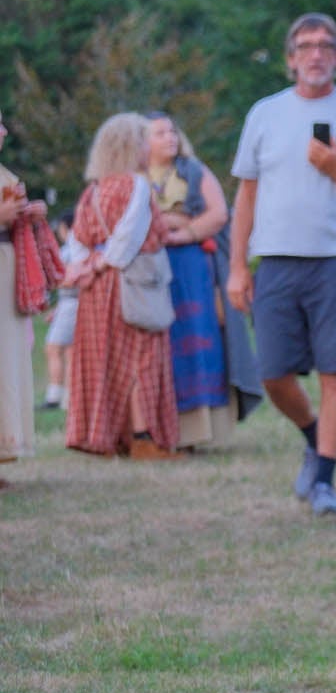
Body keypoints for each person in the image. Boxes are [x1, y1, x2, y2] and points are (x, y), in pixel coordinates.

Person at [226, 12, 336, 517]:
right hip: (276, 260)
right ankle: (313, 436)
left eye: (325, 45)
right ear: (290, 60)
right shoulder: (265, 114)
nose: (315, 54)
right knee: (273, 373)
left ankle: (324, 480)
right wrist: (238, 266)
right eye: (305, 46)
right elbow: (245, 198)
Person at [66, 112, 180, 460]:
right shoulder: (136, 184)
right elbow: (128, 238)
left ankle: (107, 434)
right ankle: (143, 437)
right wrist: (105, 262)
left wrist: (88, 267)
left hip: (96, 289)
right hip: (130, 283)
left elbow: (77, 242)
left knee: (105, 360)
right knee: (142, 357)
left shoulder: (93, 192)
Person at [145, 113, 235, 450]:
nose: (170, 137)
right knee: (157, 343)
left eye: (172, 130)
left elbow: (218, 212)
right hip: (147, 268)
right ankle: (152, 430)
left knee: (195, 340)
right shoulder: (134, 175)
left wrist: (186, 233)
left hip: (191, 267)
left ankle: (196, 430)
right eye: (160, 132)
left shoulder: (194, 170)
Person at [1, 108, 52, 486]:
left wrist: (29, 213)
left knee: (8, 359)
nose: (3, 130)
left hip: (6, 267)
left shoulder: (7, 176)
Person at [40, 207, 78, 412]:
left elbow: (71, 281)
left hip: (71, 304)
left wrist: (51, 282)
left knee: (53, 348)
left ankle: (55, 395)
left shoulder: (70, 249)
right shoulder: (75, 248)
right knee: (70, 351)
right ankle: (68, 397)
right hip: (69, 304)